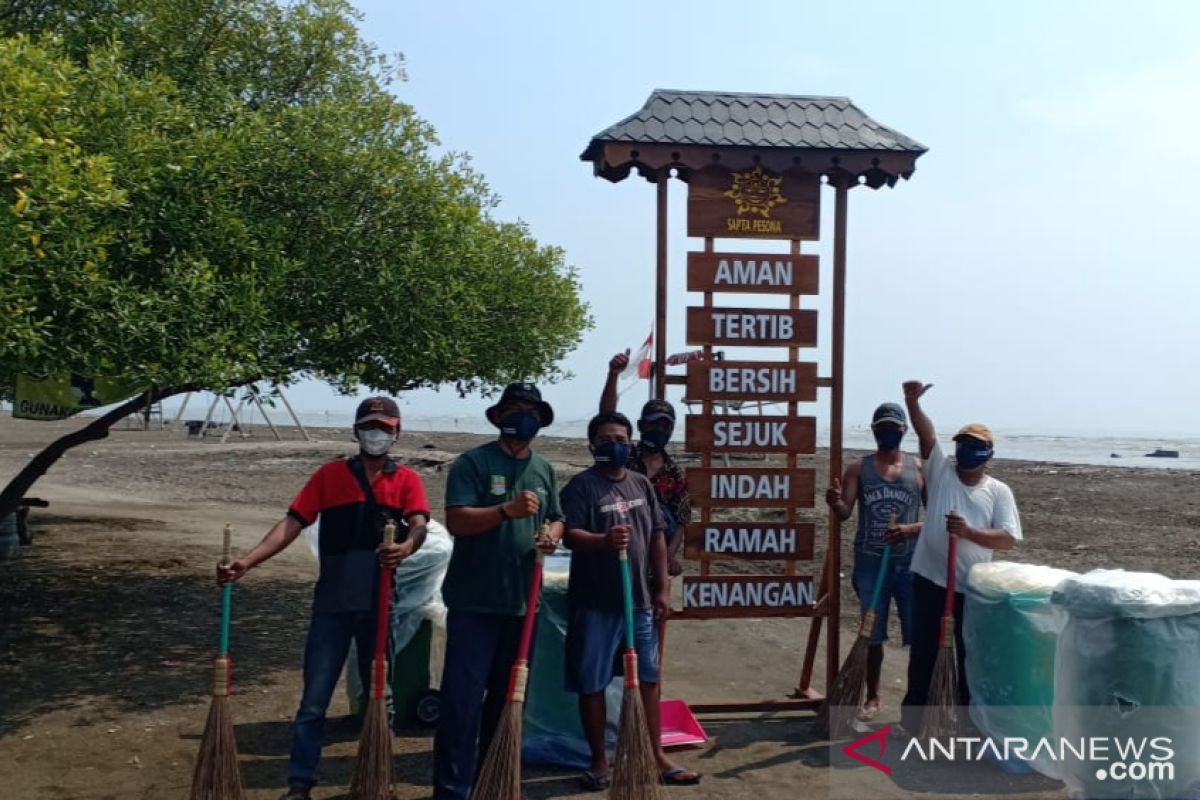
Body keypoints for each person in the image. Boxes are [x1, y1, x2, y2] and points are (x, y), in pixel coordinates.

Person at [217, 396, 430, 800]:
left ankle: (376, 779)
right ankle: (300, 783)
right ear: (356, 431)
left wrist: (407, 547)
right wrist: (248, 561)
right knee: (314, 701)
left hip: (378, 604)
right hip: (332, 604)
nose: (377, 434)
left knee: (380, 699)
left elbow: (418, 523)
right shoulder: (329, 476)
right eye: (370, 427)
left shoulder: (407, 481)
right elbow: (292, 523)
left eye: (385, 428)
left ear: (397, 433)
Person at [433, 382, 564, 800]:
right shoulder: (472, 463)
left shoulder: (543, 469)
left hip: (523, 604)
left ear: (540, 420)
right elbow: (457, 520)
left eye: (530, 410)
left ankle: (494, 781)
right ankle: (453, 788)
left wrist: (552, 536)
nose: (522, 417)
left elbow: (557, 517)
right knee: (462, 703)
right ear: (499, 416)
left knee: (508, 701)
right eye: (514, 409)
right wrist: (505, 511)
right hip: (474, 602)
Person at [561, 412, 700, 790]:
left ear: (631, 442)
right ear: (592, 446)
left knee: (649, 679)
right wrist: (602, 542)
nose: (614, 445)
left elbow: (657, 535)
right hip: (595, 602)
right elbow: (570, 536)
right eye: (605, 440)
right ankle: (599, 761)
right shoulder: (581, 487)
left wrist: (663, 590)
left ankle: (654, 754)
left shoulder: (641, 484)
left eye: (621, 438)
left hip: (638, 601)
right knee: (593, 682)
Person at [899, 381, 1022, 734]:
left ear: (988, 454)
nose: (966, 452)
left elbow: (1007, 539)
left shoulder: (998, 492)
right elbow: (926, 437)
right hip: (930, 580)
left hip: (972, 587)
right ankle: (914, 722)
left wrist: (968, 532)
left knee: (969, 657)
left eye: (975, 447)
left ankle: (967, 723)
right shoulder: (941, 474)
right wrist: (912, 403)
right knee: (923, 653)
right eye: (963, 445)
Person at [825, 402, 924, 721]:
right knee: (873, 634)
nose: (887, 433)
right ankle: (872, 696)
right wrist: (835, 501)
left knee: (918, 636)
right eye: (881, 428)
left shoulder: (919, 469)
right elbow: (844, 514)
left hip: (911, 566)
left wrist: (910, 530)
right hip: (870, 565)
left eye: (893, 428)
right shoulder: (858, 468)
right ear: (873, 431)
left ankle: (918, 699)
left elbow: (936, 517)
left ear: (904, 431)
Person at [599, 350, 689, 575]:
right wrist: (613, 375)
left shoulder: (675, 474)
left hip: (652, 559)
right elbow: (606, 420)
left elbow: (681, 521)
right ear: (640, 426)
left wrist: (668, 556)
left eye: (666, 426)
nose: (659, 430)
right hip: (615, 548)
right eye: (653, 424)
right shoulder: (623, 456)